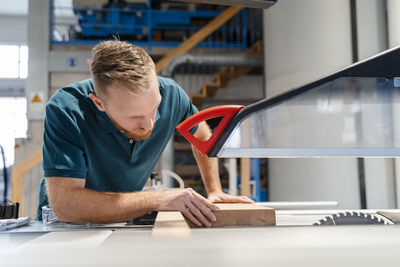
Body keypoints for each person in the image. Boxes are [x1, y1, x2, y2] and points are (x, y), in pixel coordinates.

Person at [37, 40, 252, 227]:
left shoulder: (171, 94)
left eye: (154, 107)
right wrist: (158, 199)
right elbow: (66, 206)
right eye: (134, 116)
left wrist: (214, 190)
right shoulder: (66, 110)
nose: (149, 124)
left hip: (122, 219)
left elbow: (202, 132)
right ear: (99, 103)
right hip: (66, 228)